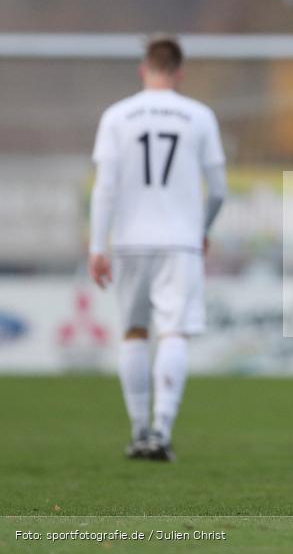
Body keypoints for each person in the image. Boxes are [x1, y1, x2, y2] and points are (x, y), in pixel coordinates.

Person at [88, 35, 227, 461]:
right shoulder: (199, 115)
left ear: (142, 69)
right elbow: (218, 190)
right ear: (180, 72)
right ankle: (162, 431)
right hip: (180, 241)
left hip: (129, 241)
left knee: (133, 331)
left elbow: (105, 187)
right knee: (174, 331)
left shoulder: (117, 115)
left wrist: (98, 245)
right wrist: (201, 228)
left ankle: (138, 430)